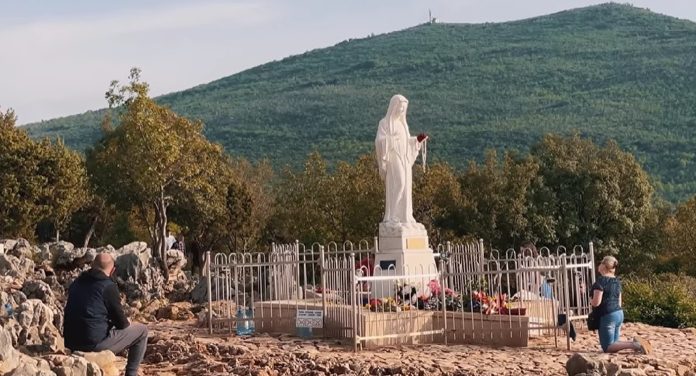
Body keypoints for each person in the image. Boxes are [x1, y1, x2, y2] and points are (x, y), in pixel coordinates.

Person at [63, 253, 148, 376]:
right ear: (113, 270)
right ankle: (131, 373)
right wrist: (127, 321)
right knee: (142, 331)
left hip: (71, 342)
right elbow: (121, 324)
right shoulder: (108, 286)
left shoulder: (76, 282)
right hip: (93, 344)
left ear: (92, 265)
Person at [375, 94, 428, 225]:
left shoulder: (403, 125)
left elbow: (406, 141)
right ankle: (392, 215)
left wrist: (417, 140)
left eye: (404, 108)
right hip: (393, 157)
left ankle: (405, 216)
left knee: (406, 187)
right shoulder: (385, 123)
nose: (402, 111)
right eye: (400, 108)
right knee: (400, 183)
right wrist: (391, 140)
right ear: (393, 107)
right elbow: (379, 141)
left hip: (404, 157)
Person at [591, 255, 651, 354]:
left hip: (607, 314)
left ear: (604, 266)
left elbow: (596, 303)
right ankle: (636, 344)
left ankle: (635, 345)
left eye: (601, 263)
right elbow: (619, 301)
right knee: (614, 343)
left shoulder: (600, 282)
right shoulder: (617, 281)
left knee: (607, 347)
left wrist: (590, 300)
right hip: (618, 313)